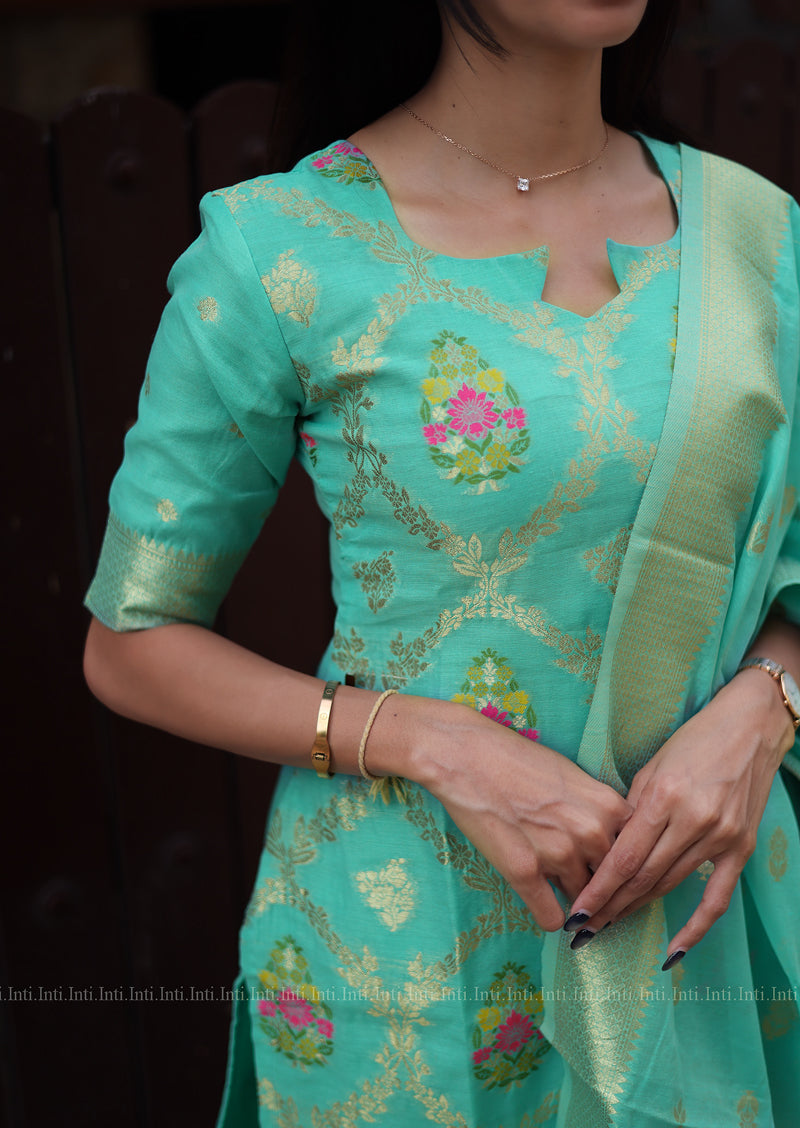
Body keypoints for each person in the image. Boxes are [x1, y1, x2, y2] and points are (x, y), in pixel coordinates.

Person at [83, 0, 800, 1123]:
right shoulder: (282, 248)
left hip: (704, 920)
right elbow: (131, 642)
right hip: (412, 948)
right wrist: (438, 744)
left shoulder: (755, 235)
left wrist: (765, 705)